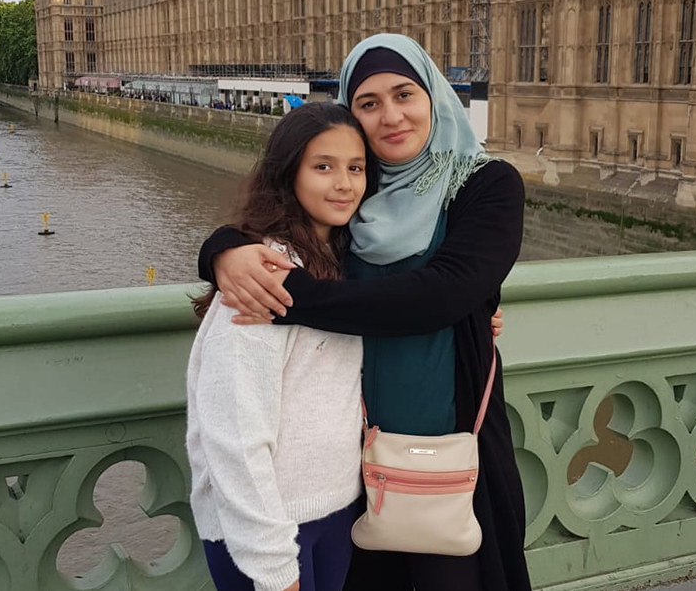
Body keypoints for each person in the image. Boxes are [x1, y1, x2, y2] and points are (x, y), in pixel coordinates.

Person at [196, 34, 532, 591]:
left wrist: (290, 299)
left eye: (405, 95)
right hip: (350, 472)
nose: (391, 117)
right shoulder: (359, 194)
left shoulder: (486, 186)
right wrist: (222, 251)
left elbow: (440, 295)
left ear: (434, 95)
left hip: (447, 459)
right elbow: (281, 221)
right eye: (368, 104)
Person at [186, 101, 380, 591]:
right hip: (266, 533)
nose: (344, 183)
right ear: (287, 173)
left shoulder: (346, 264)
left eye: (355, 168)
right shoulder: (261, 278)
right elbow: (233, 432)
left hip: (336, 510)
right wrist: (272, 564)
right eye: (323, 167)